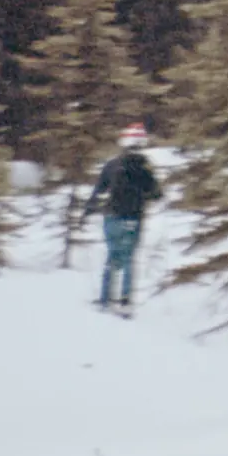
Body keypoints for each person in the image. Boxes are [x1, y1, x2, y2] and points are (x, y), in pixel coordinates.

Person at [81, 123, 161, 314]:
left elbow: (99, 190)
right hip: (134, 219)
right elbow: (157, 194)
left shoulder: (112, 164)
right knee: (128, 259)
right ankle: (125, 302)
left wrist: (88, 211)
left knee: (111, 256)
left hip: (112, 217)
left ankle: (105, 299)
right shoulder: (146, 167)